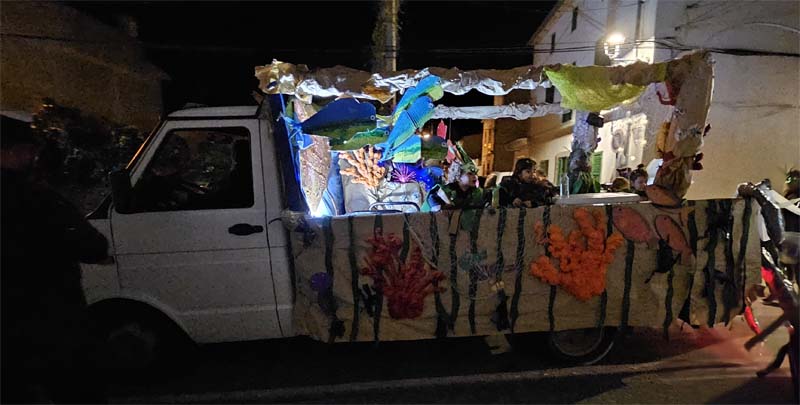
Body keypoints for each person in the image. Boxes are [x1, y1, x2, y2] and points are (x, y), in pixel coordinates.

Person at [1, 115, 110, 403]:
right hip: (51, 319)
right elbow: (93, 245)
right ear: (13, 152)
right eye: (29, 151)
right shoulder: (36, 199)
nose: (33, 158)